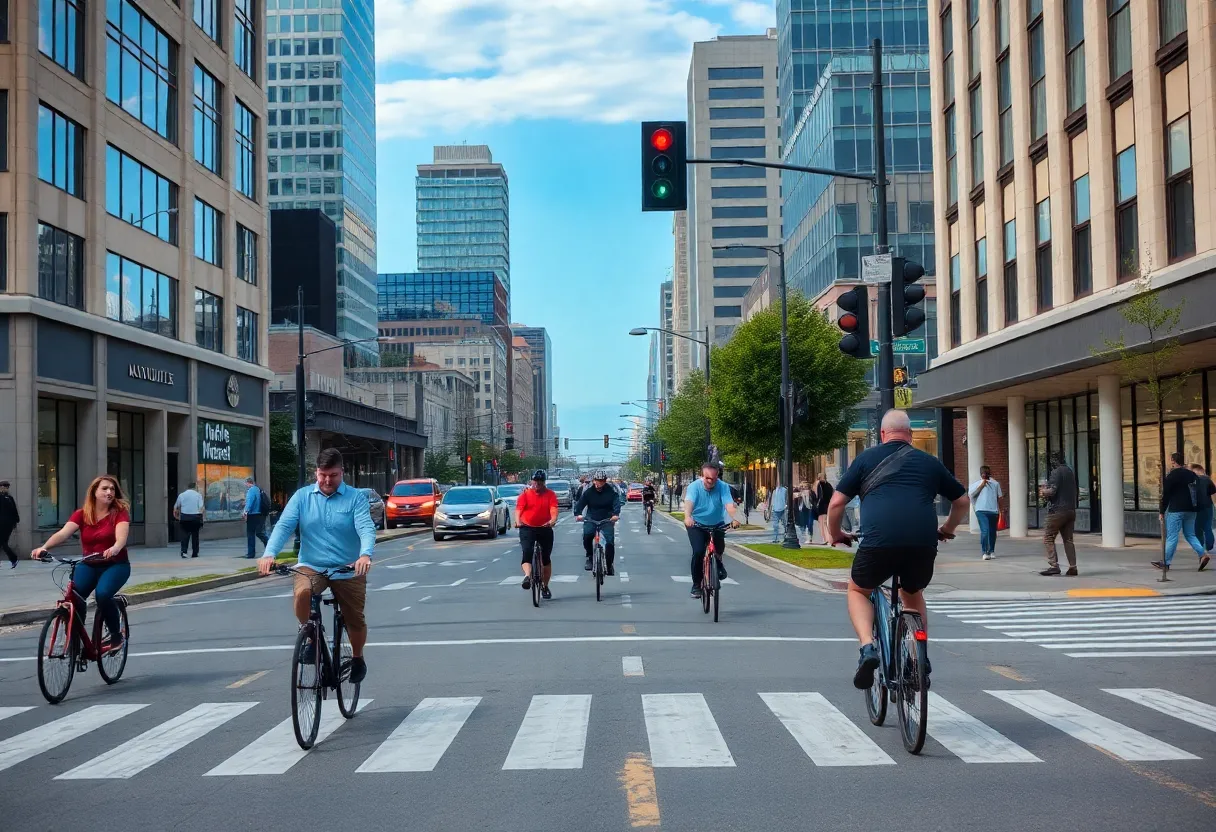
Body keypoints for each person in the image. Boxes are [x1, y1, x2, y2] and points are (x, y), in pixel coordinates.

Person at [825, 410, 969, 690]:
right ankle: (920, 656)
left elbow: (835, 504)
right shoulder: (929, 462)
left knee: (857, 590)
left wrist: (836, 534)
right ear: (910, 435)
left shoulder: (865, 459)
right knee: (912, 593)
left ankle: (868, 648)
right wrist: (948, 529)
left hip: (878, 541)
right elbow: (962, 501)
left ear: (882, 435)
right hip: (921, 541)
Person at [259, 449, 374, 684]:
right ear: (316, 473)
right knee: (302, 593)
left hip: (348, 567)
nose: (327, 481)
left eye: (333, 475)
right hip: (312, 565)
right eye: (323, 475)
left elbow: (365, 528)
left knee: (355, 618)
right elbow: (283, 526)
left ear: (342, 472)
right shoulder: (302, 497)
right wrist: (269, 554)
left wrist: (364, 555)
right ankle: (309, 635)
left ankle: (357, 657)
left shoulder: (355, 498)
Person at [31, 475, 132, 650]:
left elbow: (121, 538)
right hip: (89, 563)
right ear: (94, 492)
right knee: (74, 596)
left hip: (115, 564)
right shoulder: (82, 514)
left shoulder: (119, 513)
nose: (109, 492)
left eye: (112, 489)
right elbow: (63, 534)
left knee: (102, 594)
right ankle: (76, 639)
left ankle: (116, 636)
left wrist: (115, 548)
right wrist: (44, 547)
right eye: (104, 488)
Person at [683, 461, 740, 599]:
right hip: (697, 524)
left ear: (717, 476)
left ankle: (718, 562)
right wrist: (687, 517)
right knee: (698, 552)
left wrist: (735, 518)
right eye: (707, 478)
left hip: (717, 523)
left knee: (719, 547)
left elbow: (729, 504)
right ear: (702, 475)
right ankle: (696, 585)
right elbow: (689, 503)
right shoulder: (694, 487)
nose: (710, 481)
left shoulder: (723, 486)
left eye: (714, 479)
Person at [1153, 452, 1207, 571]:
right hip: (1191, 510)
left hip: (1176, 509)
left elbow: (1166, 494)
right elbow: (1199, 491)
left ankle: (1165, 563)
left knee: (1172, 536)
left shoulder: (1172, 475)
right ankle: (1202, 555)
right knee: (1190, 534)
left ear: (1173, 461)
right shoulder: (1192, 474)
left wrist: (1161, 511)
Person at [517, 469, 559, 598]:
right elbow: (519, 510)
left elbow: (553, 509)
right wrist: (518, 521)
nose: (537, 485)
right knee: (527, 552)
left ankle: (545, 586)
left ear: (544, 483)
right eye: (535, 482)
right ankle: (528, 577)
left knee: (546, 559)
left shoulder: (550, 494)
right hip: (527, 527)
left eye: (540, 482)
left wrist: (552, 521)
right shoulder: (525, 494)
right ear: (532, 481)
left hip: (544, 527)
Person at [1038, 452, 1079, 576]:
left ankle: (1054, 565)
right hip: (1071, 510)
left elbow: (1052, 491)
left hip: (1057, 511)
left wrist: (1043, 492)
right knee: (1068, 539)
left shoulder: (1056, 472)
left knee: (1048, 537)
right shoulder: (1070, 472)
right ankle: (1073, 567)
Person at [573, 470, 621, 574]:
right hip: (591, 518)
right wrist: (578, 514)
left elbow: (616, 502)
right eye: (597, 480)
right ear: (594, 481)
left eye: (602, 481)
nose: (599, 483)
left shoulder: (611, 492)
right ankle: (590, 557)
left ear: (605, 481)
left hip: (607, 519)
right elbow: (580, 503)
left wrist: (615, 514)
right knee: (587, 536)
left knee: (610, 542)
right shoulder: (589, 492)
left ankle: (609, 565)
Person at [969, 466, 1004, 561]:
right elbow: (971, 495)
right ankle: (985, 552)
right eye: (983, 473)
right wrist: (981, 486)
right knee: (985, 531)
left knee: (992, 532)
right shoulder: (976, 484)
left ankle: (992, 550)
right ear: (981, 474)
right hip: (981, 510)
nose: (985, 475)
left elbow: (1000, 497)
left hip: (993, 511)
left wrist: (1001, 511)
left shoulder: (995, 484)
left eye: (986, 473)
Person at [173, 481, 205, 559]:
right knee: (195, 536)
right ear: (195, 487)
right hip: (195, 518)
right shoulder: (198, 495)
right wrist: (201, 516)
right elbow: (201, 507)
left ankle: (184, 552)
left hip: (185, 518)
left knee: (184, 536)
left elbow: (176, 507)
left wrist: (177, 517)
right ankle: (195, 553)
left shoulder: (182, 495)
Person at [1190, 464, 1215, 558]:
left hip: (1195, 507)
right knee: (1207, 527)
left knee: (1197, 529)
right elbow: (1213, 493)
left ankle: (1201, 548)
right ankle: (1209, 545)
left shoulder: (1191, 480)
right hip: (1208, 506)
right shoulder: (1207, 479)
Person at [243, 477, 270, 559]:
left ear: (248, 483)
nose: (245, 485)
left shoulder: (251, 490)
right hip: (259, 514)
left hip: (252, 514)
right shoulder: (258, 489)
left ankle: (251, 553)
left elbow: (250, 501)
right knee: (259, 532)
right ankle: (270, 547)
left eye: (246, 483)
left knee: (250, 534)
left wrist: (245, 511)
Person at [0, 480, 19, 568]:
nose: (4, 489)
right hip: (7, 524)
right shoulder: (8, 498)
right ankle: (13, 559)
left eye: (5, 487)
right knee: (3, 543)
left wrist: (15, 521)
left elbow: (14, 511)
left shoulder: (8, 498)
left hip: (5, 525)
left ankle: (14, 558)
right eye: (3, 487)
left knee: (3, 542)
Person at [812, 473, 834, 545]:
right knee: (825, 523)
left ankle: (826, 539)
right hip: (827, 506)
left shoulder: (818, 484)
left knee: (822, 523)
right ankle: (827, 539)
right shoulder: (829, 485)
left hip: (821, 506)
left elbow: (816, 495)